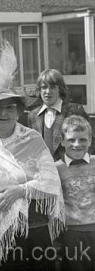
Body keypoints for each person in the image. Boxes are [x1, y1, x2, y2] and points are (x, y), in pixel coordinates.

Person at [0, 43, 65, 271]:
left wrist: (20, 190)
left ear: (19, 111)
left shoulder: (32, 138)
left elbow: (51, 180)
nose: (3, 113)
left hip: (34, 226)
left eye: (9, 107)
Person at [56, 115, 95, 271]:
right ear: (62, 141)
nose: (77, 145)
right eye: (71, 140)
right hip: (71, 233)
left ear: (90, 141)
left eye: (82, 140)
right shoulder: (56, 168)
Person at [28, 68, 89, 161]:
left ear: (60, 89)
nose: (48, 92)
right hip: (45, 171)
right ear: (39, 90)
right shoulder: (33, 116)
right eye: (44, 87)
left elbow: (90, 142)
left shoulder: (74, 111)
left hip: (70, 169)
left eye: (52, 87)